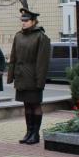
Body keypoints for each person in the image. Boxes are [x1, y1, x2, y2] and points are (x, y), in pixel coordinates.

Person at [7, 8, 50, 145]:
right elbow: (13, 57)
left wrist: (40, 81)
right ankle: (28, 132)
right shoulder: (18, 35)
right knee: (26, 105)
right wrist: (11, 76)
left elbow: (42, 62)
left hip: (33, 77)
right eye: (22, 20)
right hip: (21, 76)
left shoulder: (41, 37)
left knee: (35, 105)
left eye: (26, 20)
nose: (24, 23)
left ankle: (35, 134)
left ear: (33, 21)